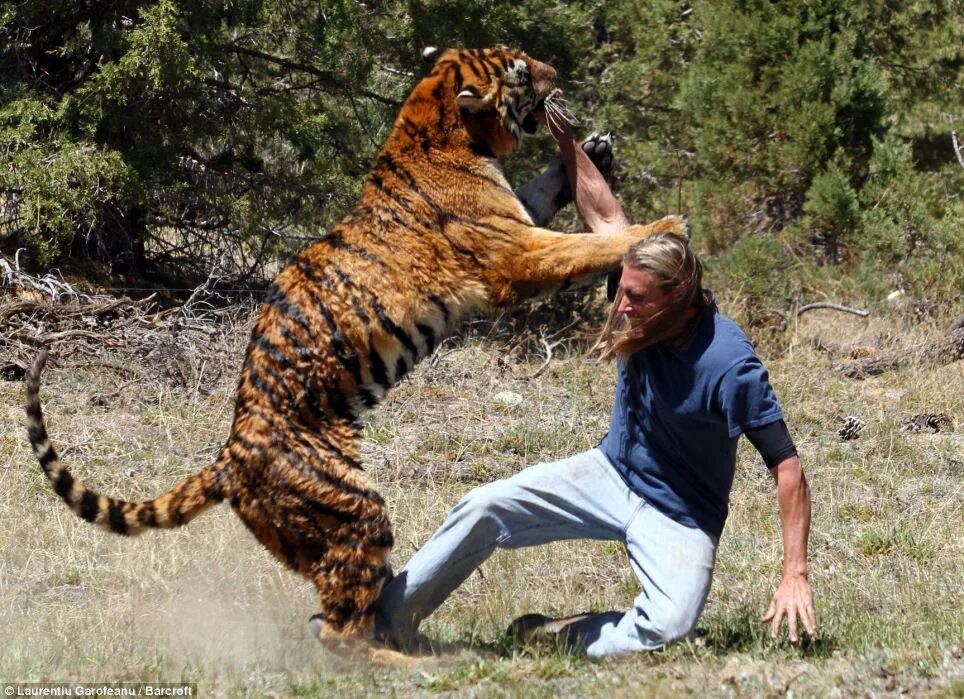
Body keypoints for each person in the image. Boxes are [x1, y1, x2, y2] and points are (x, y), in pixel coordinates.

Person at [373, 125, 817, 658]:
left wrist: (795, 573)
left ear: (678, 300)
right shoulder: (637, 290)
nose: (621, 307)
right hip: (610, 472)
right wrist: (569, 148)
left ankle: (560, 633)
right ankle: (383, 624)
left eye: (636, 298)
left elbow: (787, 467)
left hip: (679, 513)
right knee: (484, 505)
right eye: (621, 291)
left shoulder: (730, 363)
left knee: (666, 632)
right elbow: (607, 219)